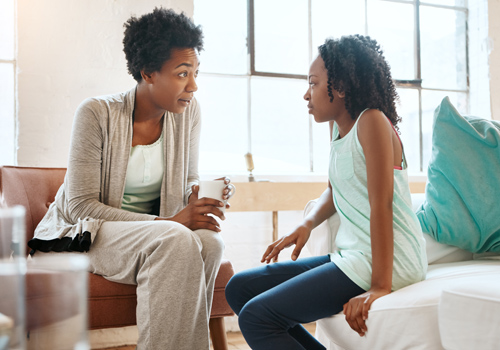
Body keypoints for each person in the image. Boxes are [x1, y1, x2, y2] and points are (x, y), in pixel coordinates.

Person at [28, 8, 231, 350]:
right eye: (183, 73)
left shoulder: (188, 112)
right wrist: (167, 221)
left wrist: (198, 192)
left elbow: (186, 178)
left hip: (151, 234)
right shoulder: (96, 113)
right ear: (148, 72)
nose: (193, 86)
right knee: (174, 238)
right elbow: (79, 207)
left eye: (196, 73)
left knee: (211, 243)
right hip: (82, 234)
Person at [225, 35, 427, 350]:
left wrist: (379, 287)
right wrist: (306, 224)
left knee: (256, 317)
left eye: (314, 84)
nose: (307, 94)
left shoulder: (371, 121)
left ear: (342, 88)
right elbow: (335, 190)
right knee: (240, 289)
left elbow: (382, 205)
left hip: (388, 262)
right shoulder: (337, 127)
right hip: (354, 256)